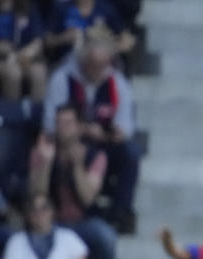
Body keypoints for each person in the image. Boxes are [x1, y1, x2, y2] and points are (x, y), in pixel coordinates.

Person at [43, 28, 138, 232]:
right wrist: (83, 130)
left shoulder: (117, 83)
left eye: (101, 66)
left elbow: (126, 129)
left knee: (131, 153)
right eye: (92, 65)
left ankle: (119, 214)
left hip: (103, 143)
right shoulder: (63, 79)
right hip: (68, 143)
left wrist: (105, 133)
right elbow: (50, 124)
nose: (97, 70)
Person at [29, 103, 116, 259]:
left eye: (68, 123)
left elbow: (87, 198)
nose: (62, 128)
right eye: (58, 123)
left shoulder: (96, 156)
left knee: (105, 236)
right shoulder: (41, 150)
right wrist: (46, 164)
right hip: (51, 222)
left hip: (82, 222)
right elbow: (36, 197)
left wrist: (77, 166)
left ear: (79, 127)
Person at [0, 0, 47, 100]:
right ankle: (13, 113)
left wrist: (26, 53)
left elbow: (38, 41)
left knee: (38, 72)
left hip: (24, 58)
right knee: (13, 73)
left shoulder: (27, 8)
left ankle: (37, 113)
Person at [44, 0, 135, 60]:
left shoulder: (106, 9)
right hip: (67, 61)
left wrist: (106, 47)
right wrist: (64, 38)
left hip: (101, 64)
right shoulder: (61, 8)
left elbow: (127, 40)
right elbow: (47, 41)